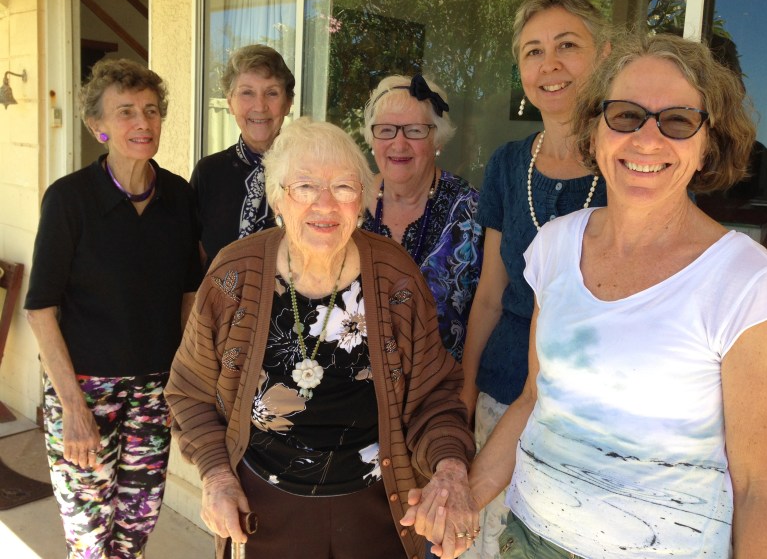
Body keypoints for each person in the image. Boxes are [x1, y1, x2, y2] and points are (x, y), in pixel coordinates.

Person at [459, 33, 767, 558]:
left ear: (709, 145)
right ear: (595, 131)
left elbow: (765, 490)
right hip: (526, 539)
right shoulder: (555, 244)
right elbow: (534, 399)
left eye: (678, 120)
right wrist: (465, 501)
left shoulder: (750, 283)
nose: (648, 139)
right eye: (626, 115)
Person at [165, 118, 477, 559]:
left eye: (345, 188)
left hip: (377, 509)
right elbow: (189, 391)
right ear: (277, 198)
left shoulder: (396, 277)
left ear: (364, 201)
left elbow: (435, 397)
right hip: (265, 508)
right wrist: (216, 475)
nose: (325, 204)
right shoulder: (233, 273)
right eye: (305, 187)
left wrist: (450, 472)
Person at [25, 58, 202, 558]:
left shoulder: (179, 197)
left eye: (150, 110)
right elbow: (41, 309)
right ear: (97, 126)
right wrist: (73, 410)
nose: (142, 123)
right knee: (87, 536)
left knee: (136, 527)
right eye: (125, 112)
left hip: (154, 391)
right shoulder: (69, 200)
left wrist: (182, 384)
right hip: (84, 391)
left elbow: (189, 296)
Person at [457, 0, 609, 558]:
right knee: (484, 535)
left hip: (585, 408)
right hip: (503, 388)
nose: (550, 65)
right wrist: (466, 386)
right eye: (533, 51)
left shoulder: (636, 162)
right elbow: (491, 293)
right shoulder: (508, 164)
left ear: (606, 54)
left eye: (568, 45)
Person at [361, 74, 483, 362]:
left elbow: (487, 312)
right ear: (372, 138)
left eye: (415, 131)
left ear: (436, 139)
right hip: (356, 388)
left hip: (440, 389)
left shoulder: (473, 210)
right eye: (386, 130)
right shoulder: (345, 203)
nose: (399, 143)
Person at [191, 44, 295, 269]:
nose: (260, 106)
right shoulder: (208, 173)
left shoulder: (307, 171)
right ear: (230, 102)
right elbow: (193, 262)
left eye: (272, 93)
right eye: (247, 92)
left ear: (288, 103)